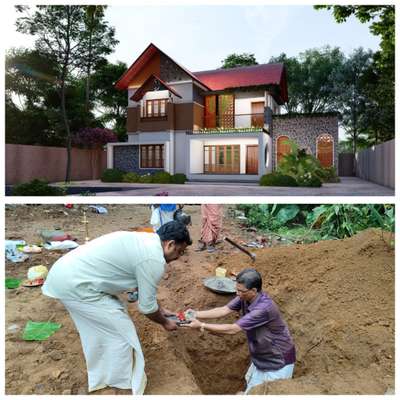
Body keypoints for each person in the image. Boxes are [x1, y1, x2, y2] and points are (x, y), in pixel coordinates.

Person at [42, 221, 192, 395]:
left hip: (68, 275)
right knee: (122, 334)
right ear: (170, 244)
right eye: (179, 252)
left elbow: (144, 289)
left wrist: (161, 308)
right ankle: (117, 381)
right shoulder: (153, 259)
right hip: (76, 285)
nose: (178, 258)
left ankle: (107, 372)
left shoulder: (147, 240)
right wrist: (165, 322)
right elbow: (147, 307)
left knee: (108, 327)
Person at [184, 268, 295, 394]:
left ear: (253, 290)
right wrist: (195, 314)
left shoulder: (264, 308)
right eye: (236, 289)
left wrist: (202, 325)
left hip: (277, 362)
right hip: (262, 359)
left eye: (240, 291)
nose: (237, 293)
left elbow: (233, 329)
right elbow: (223, 310)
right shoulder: (244, 297)